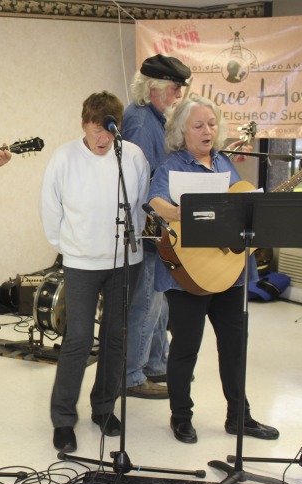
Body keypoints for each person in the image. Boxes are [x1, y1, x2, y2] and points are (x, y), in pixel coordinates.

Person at [147, 93, 279, 444]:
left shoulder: (224, 165)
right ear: (181, 131)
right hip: (188, 276)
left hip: (229, 273)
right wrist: (183, 209)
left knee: (235, 347)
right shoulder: (171, 166)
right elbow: (155, 203)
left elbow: (238, 207)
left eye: (212, 123)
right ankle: (181, 416)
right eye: (199, 125)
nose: (207, 130)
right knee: (186, 348)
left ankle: (240, 417)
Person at [40, 91, 150, 453]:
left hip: (124, 262)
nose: (103, 138)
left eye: (109, 131)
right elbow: (50, 206)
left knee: (117, 337)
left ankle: (104, 407)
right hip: (82, 262)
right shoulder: (64, 157)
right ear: (84, 124)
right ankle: (63, 418)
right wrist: (68, 247)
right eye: (95, 129)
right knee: (79, 339)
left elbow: (141, 205)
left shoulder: (132, 156)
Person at [121, 54, 191, 400]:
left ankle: (154, 363)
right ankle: (132, 374)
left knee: (158, 299)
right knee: (147, 303)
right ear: (154, 89)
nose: (178, 96)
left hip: (154, 227)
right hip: (146, 229)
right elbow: (140, 182)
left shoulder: (148, 116)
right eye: (174, 89)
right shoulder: (142, 125)